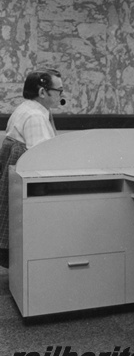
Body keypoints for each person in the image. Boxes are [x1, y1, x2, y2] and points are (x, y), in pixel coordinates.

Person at [1, 69, 65, 267]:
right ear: (42, 92)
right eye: (59, 90)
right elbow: (41, 159)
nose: (62, 95)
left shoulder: (27, 109)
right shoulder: (35, 117)